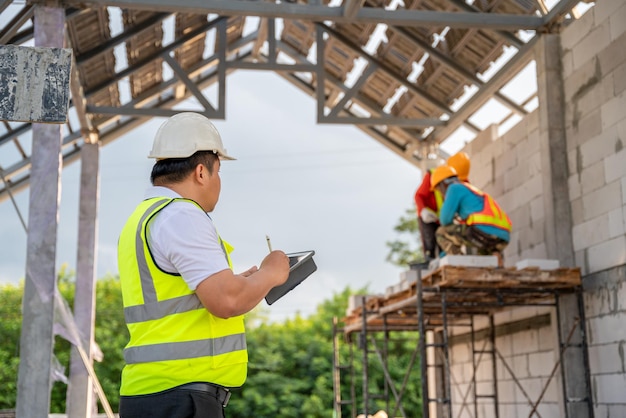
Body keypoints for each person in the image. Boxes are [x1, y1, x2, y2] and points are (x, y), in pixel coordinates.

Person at [117, 112, 290, 418]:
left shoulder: (144, 218)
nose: (219, 182)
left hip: (154, 395)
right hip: (180, 398)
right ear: (200, 172)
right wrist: (271, 272)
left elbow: (190, 298)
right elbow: (227, 300)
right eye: (218, 171)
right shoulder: (181, 216)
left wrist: (242, 281)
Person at [430, 165, 512, 264]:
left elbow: (444, 220)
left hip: (482, 233)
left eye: (439, 190)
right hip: (501, 238)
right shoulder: (470, 190)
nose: (441, 193)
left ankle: (460, 265)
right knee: (485, 262)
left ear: (443, 183)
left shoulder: (454, 188)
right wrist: (442, 256)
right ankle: (497, 268)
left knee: (441, 232)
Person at [414, 168, 443, 261]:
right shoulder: (432, 175)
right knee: (430, 243)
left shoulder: (456, 181)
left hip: (441, 218)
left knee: (443, 243)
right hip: (427, 216)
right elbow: (418, 196)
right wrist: (423, 210)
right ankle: (429, 262)